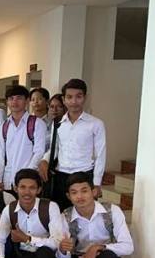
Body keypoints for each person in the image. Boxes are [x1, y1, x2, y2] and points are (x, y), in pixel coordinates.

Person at [39, 79, 106, 210]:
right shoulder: (57, 123)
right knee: (60, 213)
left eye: (78, 96)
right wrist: (44, 160)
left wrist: (97, 183)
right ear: (64, 99)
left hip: (84, 176)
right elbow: (55, 149)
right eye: (69, 97)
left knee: (84, 212)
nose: (74, 101)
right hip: (61, 176)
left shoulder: (96, 124)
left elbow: (101, 155)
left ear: (85, 98)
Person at [0, 85, 47, 192]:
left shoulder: (37, 123)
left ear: (27, 101)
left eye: (19, 98)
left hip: (28, 183)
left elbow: (39, 152)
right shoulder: (5, 125)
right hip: (7, 181)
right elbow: (0, 154)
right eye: (11, 98)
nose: (14, 102)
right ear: (7, 102)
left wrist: (26, 176)